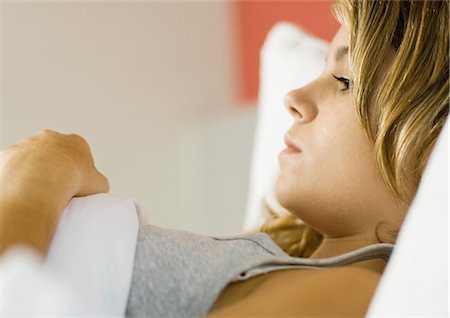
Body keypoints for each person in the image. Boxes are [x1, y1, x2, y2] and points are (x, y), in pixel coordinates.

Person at [0, 0, 448, 316]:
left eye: (345, 81)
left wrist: (42, 177)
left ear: (429, 144)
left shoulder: (355, 294)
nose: (293, 98)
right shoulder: (284, 264)